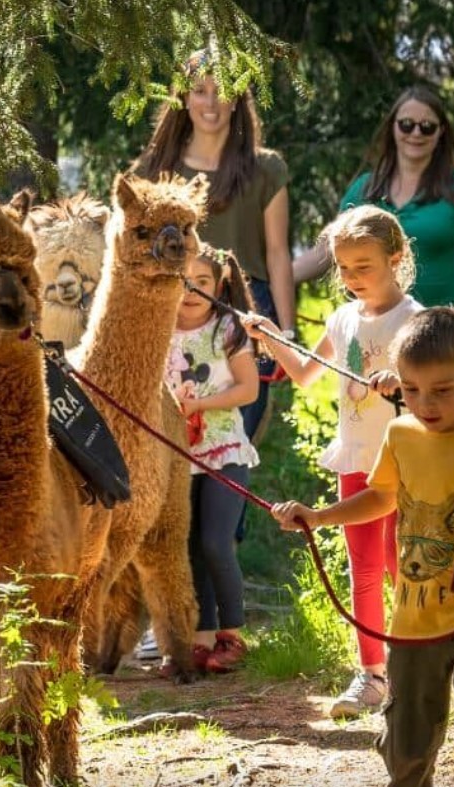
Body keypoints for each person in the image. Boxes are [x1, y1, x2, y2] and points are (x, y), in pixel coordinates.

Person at [271, 307, 454, 787]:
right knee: (408, 743)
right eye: (412, 389)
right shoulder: (399, 434)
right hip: (415, 622)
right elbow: (381, 498)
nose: (426, 403)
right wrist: (317, 517)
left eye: (443, 390)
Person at [244, 204, 422, 716]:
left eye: (363, 265)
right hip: (356, 461)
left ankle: (416, 667)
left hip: (405, 467)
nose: (351, 278)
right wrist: (271, 338)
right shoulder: (342, 318)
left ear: (396, 256)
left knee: (402, 568)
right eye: (343, 267)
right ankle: (372, 675)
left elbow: (434, 393)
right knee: (362, 569)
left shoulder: (414, 320)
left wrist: (401, 385)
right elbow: (303, 372)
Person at [133, 46, 295, 442]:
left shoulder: (266, 169)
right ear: (183, 97)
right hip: (173, 310)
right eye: (200, 90)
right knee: (169, 446)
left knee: (231, 446)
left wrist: (286, 336)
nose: (211, 102)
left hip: (244, 310)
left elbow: (277, 255)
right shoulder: (153, 169)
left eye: (222, 91)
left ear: (238, 99)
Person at [292, 85, 454, 363]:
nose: (415, 134)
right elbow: (327, 251)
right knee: (368, 403)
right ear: (393, 128)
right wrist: (274, 280)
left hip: (442, 330)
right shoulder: (364, 189)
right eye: (407, 124)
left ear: (441, 132)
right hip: (375, 331)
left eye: (427, 127)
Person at [162, 244, 259, 675]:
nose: (191, 290)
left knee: (216, 541)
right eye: (183, 280)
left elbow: (248, 389)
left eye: (201, 282)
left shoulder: (227, 328)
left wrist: (201, 405)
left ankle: (233, 634)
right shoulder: (158, 330)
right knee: (188, 548)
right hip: (177, 456)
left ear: (218, 285)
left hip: (224, 451)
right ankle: (199, 639)